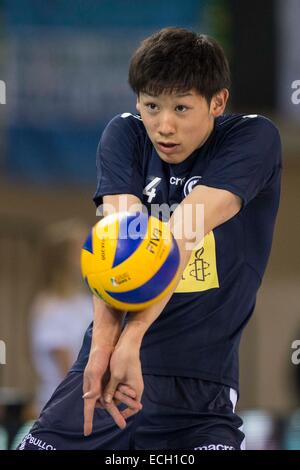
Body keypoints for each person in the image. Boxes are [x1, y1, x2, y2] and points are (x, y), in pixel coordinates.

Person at [18, 27, 282, 451]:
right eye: (151, 106)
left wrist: (132, 340)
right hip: (104, 368)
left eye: (181, 107)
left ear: (218, 102)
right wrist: (105, 346)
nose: (164, 126)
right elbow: (119, 247)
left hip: (200, 387)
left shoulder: (253, 138)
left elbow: (182, 233)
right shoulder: (124, 135)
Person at [29, 219, 93, 415]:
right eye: (80, 249)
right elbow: (68, 370)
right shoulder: (50, 307)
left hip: (88, 400)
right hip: (63, 406)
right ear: (64, 258)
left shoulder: (85, 300)